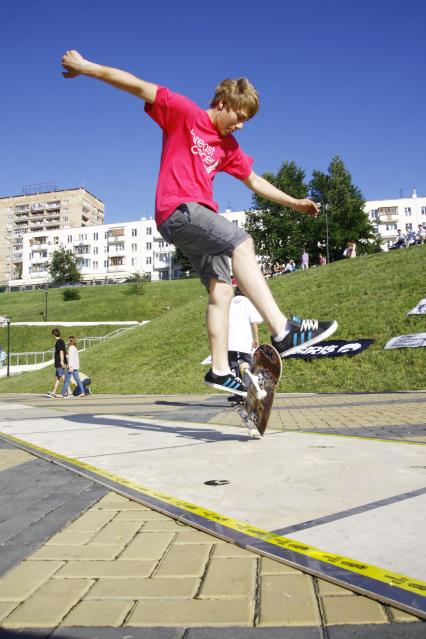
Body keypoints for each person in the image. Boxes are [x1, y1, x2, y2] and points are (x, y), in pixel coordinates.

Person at [61, 49, 337, 396]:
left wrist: (294, 202)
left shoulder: (229, 147)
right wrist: (86, 68)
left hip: (199, 222)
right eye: (239, 116)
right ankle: (282, 330)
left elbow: (253, 181)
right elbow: (134, 85)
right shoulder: (183, 112)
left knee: (222, 289)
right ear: (222, 101)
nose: (240, 125)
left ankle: (219, 371)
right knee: (242, 242)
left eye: (247, 121)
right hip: (178, 210)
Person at [46, 328, 67, 398]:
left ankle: (68, 392)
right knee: (58, 378)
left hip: (60, 363)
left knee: (63, 377)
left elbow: (61, 351)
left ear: (53, 335)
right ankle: (54, 392)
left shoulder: (59, 341)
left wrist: (61, 361)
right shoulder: (60, 341)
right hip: (59, 363)